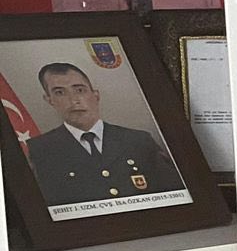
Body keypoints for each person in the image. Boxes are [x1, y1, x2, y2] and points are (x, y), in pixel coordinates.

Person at [25, 62, 183, 207]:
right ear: (49, 100)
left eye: (79, 90)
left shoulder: (138, 140)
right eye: (60, 92)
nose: (73, 100)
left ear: (96, 95)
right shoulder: (41, 150)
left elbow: (176, 196)